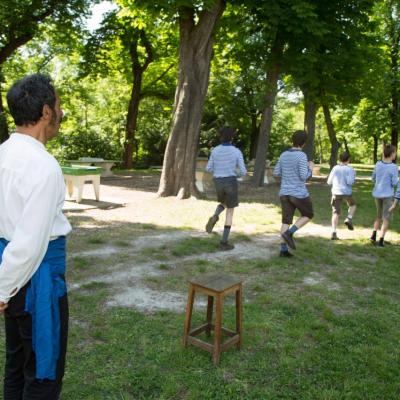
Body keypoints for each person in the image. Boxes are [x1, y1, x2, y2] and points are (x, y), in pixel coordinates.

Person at [0, 74, 71, 399]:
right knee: (43, 373)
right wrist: (2, 292)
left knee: (16, 365)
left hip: (10, 276)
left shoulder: (3, 155)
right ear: (45, 112)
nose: (60, 112)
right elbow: (29, 244)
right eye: (57, 105)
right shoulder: (43, 167)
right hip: (31, 282)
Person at [273, 130, 314, 257]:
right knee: (308, 214)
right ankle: (289, 233)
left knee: (286, 221)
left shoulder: (283, 155)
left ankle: (283, 251)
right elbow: (304, 176)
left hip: (284, 192)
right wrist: (310, 168)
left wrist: (288, 174)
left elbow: (276, 173)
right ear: (304, 143)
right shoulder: (301, 156)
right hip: (298, 193)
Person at [205, 127, 247, 250]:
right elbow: (243, 171)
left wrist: (218, 169)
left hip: (218, 181)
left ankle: (215, 216)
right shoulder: (236, 151)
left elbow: (208, 168)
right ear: (232, 137)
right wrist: (235, 173)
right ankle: (224, 242)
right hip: (230, 181)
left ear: (221, 137)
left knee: (223, 202)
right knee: (230, 210)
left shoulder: (215, 151)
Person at [370, 144, 398, 247]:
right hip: (387, 195)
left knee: (378, 216)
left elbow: (373, 178)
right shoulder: (394, 167)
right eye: (395, 152)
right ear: (391, 154)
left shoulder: (378, 164)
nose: (396, 154)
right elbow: (395, 183)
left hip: (377, 194)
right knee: (386, 218)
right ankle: (381, 240)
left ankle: (373, 235)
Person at [327, 151, 357, 240]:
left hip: (336, 192)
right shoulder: (350, 169)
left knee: (335, 212)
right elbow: (350, 182)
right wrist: (354, 175)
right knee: (353, 205)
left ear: (339, 159)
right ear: (349, 159)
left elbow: (329, 182)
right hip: (347, 192)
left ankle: (333, 232)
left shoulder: (335, 168)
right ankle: (349, 218)